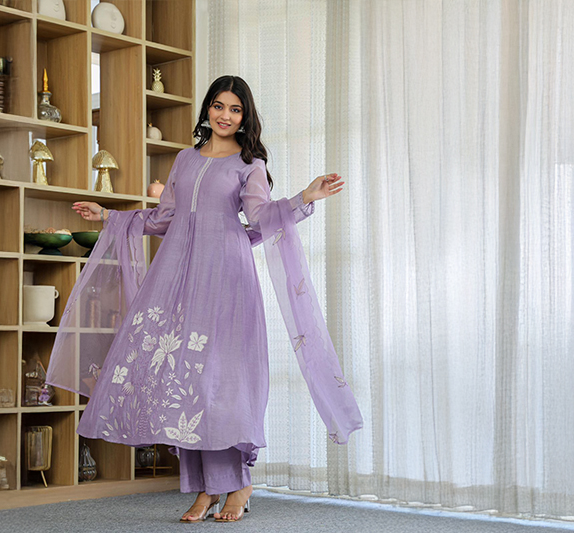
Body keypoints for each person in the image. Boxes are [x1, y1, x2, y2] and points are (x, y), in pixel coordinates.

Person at [47, 75, 363, 522]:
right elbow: (163, 218)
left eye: (235, 109)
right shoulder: (185, 159)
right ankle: (205, 489)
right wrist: (108, 216)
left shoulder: (249, 166)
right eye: (218, 106)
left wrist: (304, 198)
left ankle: (237, 484)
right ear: (207, 109)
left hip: (227, 279)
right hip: (178, 278)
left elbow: (260, 217)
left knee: (220, 383)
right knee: (183, 380)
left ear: (245, 117)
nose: (225, 116)